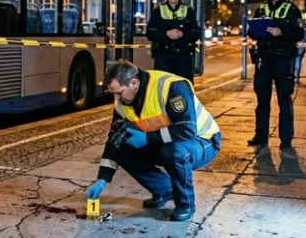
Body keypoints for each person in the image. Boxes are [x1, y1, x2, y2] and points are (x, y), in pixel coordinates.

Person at [85, 59, 221, 222]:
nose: (116, 98)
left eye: (119, 92)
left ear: (134, 83)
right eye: (113, 93)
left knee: (174, 153)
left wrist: (148, 138)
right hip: (166, 142)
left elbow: (187, 130)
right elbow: (114, 142)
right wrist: (102, 179)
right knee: (124, 148)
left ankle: (185, 204)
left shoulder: (172, 87)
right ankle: (165, 190)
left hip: (203, 141)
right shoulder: (122, 103)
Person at [247, 0, 304, 149]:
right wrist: (256, 31)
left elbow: (299, 33)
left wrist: (281, 32)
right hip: (264, 59)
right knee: (262, 100)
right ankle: (260, 136)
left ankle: (285, 139)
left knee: (284, 99)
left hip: (282, 59)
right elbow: (252, 33)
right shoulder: (261, 9)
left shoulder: (292, 10)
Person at [146, 0, 201, 83]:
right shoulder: (158, 11)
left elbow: (196, 32)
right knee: (163, 90)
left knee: (184, 89)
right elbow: (150, 33)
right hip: (163, 57)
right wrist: (166, 34)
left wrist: (182, 34)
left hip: (183, 58)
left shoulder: (188, 11)